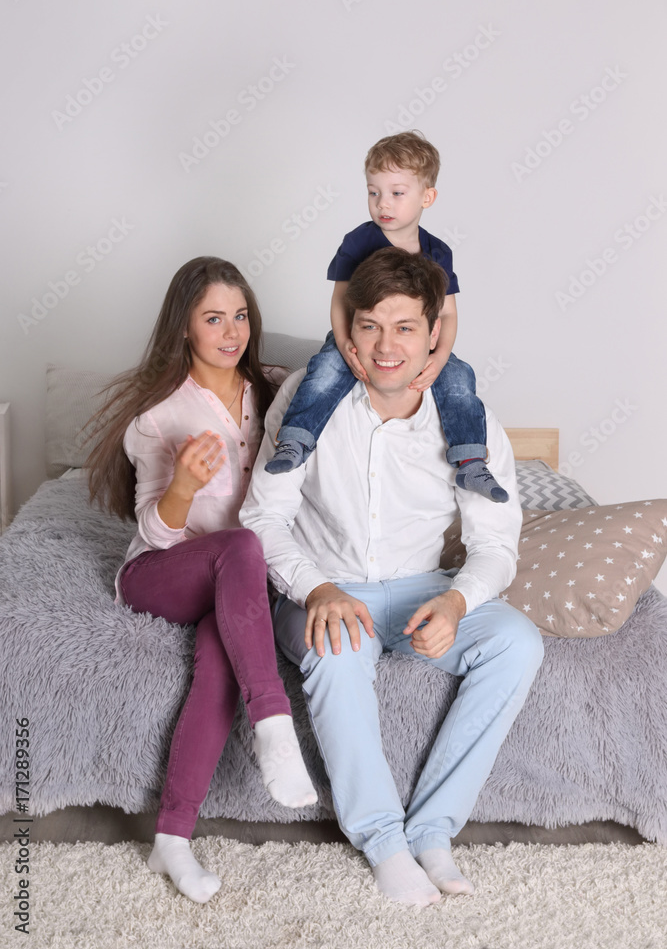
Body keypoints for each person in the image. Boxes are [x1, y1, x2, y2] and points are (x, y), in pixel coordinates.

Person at [241, 247, 544, 907]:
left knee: (517, 641)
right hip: (323, 585)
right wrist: (315, 589)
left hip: (420, 587)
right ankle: (382, 842)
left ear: (434, 332)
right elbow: (261, 519)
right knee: (336, 646)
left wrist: (457, 602)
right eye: (370, 326)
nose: (386, 346)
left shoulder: (467, 417)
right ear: (346, 331)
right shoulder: (305, 400)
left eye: (404, 327)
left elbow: (496, 542)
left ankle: (431, 832)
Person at [87, 256, 317, 905]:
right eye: (213, 317)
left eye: (240, 315)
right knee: (238, 544)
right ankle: (273, 723)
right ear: (184, 327)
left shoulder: (272, 390)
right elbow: (158, 535)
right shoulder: (155, 418)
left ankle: (171, 839)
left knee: (223, 649)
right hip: (159, 573)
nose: (230, 330)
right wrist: (183, 487)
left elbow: (339, 366)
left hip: (236, 583)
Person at [265, 130, 508, 504]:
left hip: (420, 345)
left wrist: (439, 357)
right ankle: (296, 440)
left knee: (460, 376)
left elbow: (448, 314)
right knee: (326, 369)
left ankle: (471, 460)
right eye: (373, 192)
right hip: (354, 334)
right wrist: (344, 342)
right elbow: (339, 301)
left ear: (427, 196)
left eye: (397, 192)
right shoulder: (359, 241)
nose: (382, 203)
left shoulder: (438, 252)